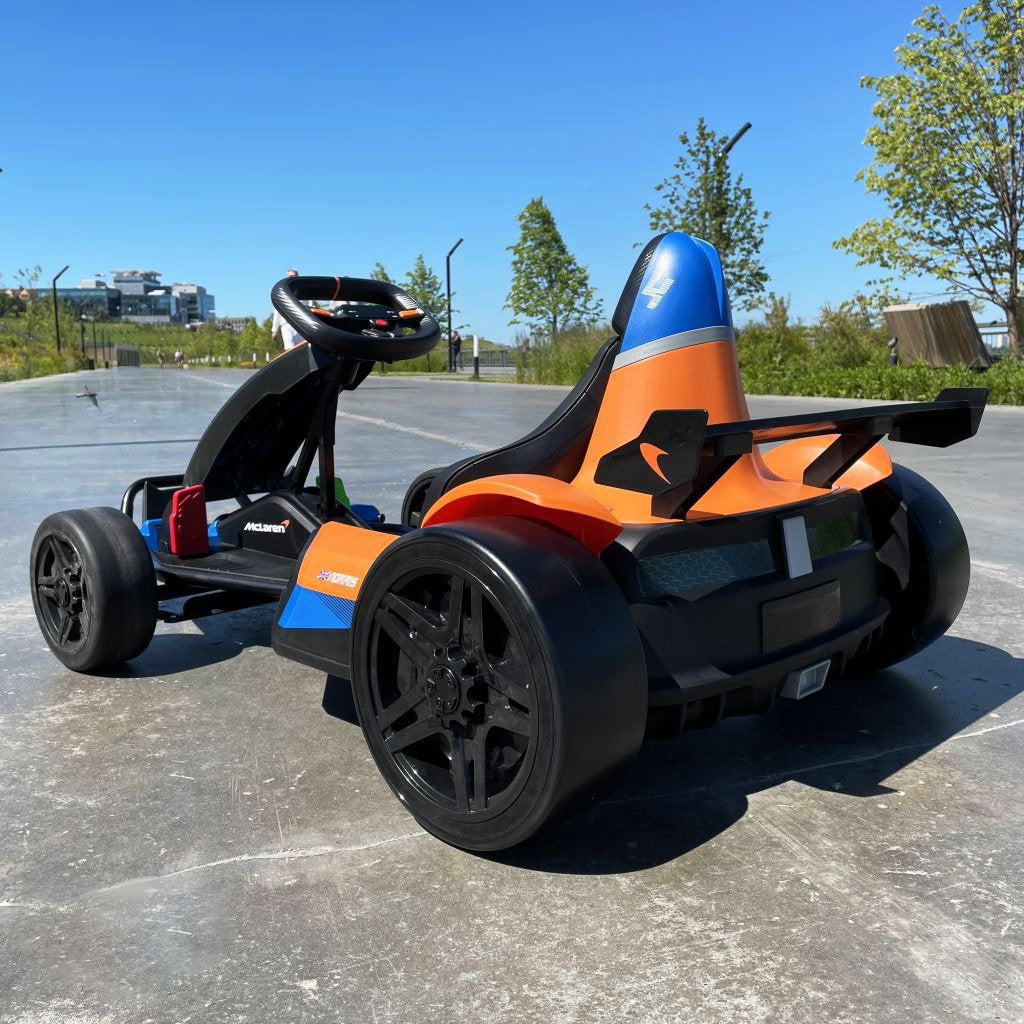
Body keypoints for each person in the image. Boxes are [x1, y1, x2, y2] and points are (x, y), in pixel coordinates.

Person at [271, 268, 303, 350]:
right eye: (288, 276)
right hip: (286, 324)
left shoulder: (304, 290)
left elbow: (310, 308)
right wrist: (274, 330)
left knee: (301, 347)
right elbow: (277, 312)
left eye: (292, 276)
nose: (290, 278)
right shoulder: (283, 291)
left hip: (301, 324)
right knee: (290, 347)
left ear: (297, 276)